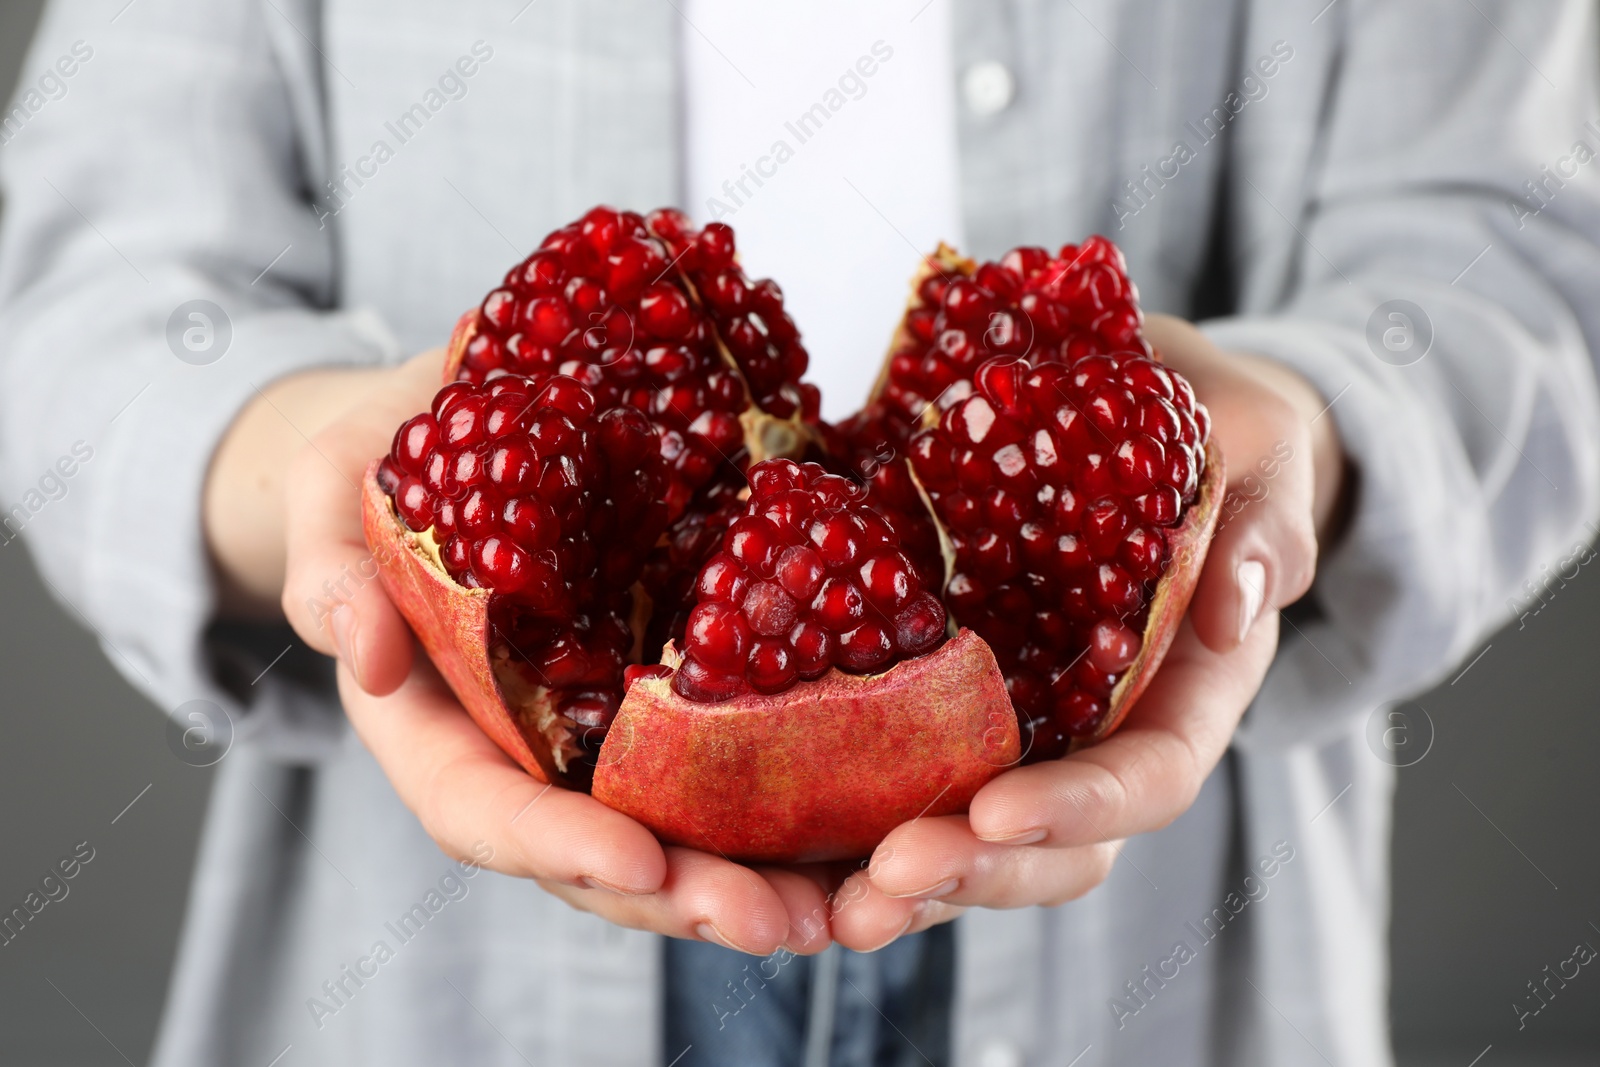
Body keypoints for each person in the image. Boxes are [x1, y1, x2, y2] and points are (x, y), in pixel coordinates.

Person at [2, 1, 1597, 1064]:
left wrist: (1309, 433)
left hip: (1155, 961)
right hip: (421, 984)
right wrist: (301, 461)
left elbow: (1518, 246)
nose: (795, 502)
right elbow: (81, 302)